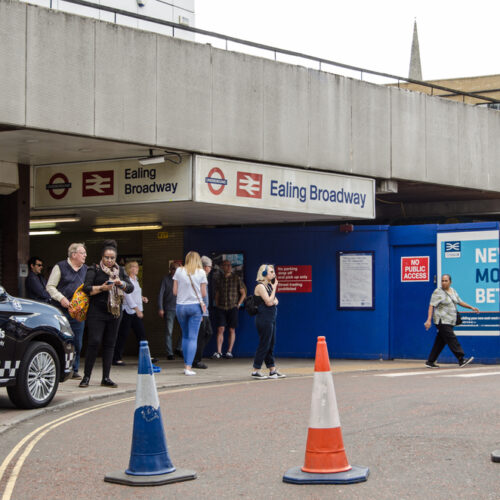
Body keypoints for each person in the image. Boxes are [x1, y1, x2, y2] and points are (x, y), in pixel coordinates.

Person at [79, 240, 133, 388]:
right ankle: (86, 377)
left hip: (114, 313)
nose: (109, 261)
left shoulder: (120, 271)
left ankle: (106, 378)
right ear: (102, 257)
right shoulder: (94, 269)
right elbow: (87, 289)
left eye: (112, 258)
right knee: (94, 342)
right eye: (106, 257)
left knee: (110, 344)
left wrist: (121, 284)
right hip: (97, 311)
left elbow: (130, 288)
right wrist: (102, 288)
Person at [46, 243, 88, 380]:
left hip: (77, 312)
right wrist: (61, 298)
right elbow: (50, 287)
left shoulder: (86, 270)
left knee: (77, 342)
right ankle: (58, 368)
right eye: (82, 253)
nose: (85, 255)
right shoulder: (60, 267)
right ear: (73, 254)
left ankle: (74, 369)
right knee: (61, 340)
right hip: (60, 310)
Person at [424, 273, 479, 368]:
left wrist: (471, 307)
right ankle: (461, 359)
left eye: (446, 281)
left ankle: (430, 361)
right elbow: (431, 305)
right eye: (442, 281)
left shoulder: (452, 291)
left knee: (440, 341)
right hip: (442, 321)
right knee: (451, 338)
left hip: (450, 321)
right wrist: (428, 320)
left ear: (450, 282)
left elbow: (459, 301)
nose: (443, 283)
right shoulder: (438, 292)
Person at [173, 251, 207, 376]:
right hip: (195, 307)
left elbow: (175, 291)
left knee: (185, 336)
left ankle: (185, 365)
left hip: (180, 307)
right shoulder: (201, 272)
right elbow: (203, 294)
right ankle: (188, 367)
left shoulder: (179, 271)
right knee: (193, 337)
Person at [251, 264, 286, 379]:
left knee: (271, 343)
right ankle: (256, 369)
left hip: (271, 318)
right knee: (264, 344)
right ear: (264, 274)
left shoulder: (268, 286)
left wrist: (273, 298)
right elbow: (269, 302)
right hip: (263, 319)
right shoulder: (261, 287)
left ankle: (272, 370)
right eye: (271, 272)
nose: (274, 274)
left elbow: (276, 300)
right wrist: (275, 287)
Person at [112, 261, 149, 366]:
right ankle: (116, 358)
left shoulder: (136, 280)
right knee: (123, 335)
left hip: (136, 310)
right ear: (130, 269)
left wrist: (142, 298)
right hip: (128, 311)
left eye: (137, 266)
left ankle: (146, 356)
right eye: (135, 267)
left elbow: (135, 294)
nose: (137, 268)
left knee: (141, 334)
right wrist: (137, 309)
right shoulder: (127, 280)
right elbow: (127, 296)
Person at [213, 259, 246, 359]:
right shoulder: (219, 279)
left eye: (229, 265)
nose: (228, 267)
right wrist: (217, 304)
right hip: (222, 307)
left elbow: (243, 293)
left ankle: (229, 351)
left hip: (232, 307)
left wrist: (239, 304)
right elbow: (217, 294)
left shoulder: (236, 278)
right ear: (222, 267)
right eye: (226, 265)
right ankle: (219, 352)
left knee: (232, 329)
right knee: (220, 329)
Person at [192, 256, 213, 370]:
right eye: (210, 266)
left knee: (208, 333)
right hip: (202, 312)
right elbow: (199, 295)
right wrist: (200, 311)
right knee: (200, 337)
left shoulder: (204, 276)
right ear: (205, 267)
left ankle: (195, 354)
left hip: (205, 312)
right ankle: (196, 360)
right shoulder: (200, 277)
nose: (211, 268)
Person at [158, 262, 181, 360]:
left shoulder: (182, 279)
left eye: (177, 269)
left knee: (185, 330)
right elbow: (160, 294)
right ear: (170, 269)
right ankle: (170, 353)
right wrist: (160, 308)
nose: (175, 271)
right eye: (174, 269)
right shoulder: (165, 279)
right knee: (169, 331)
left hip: (180, 308)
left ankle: (179, 348)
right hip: (169, 308)